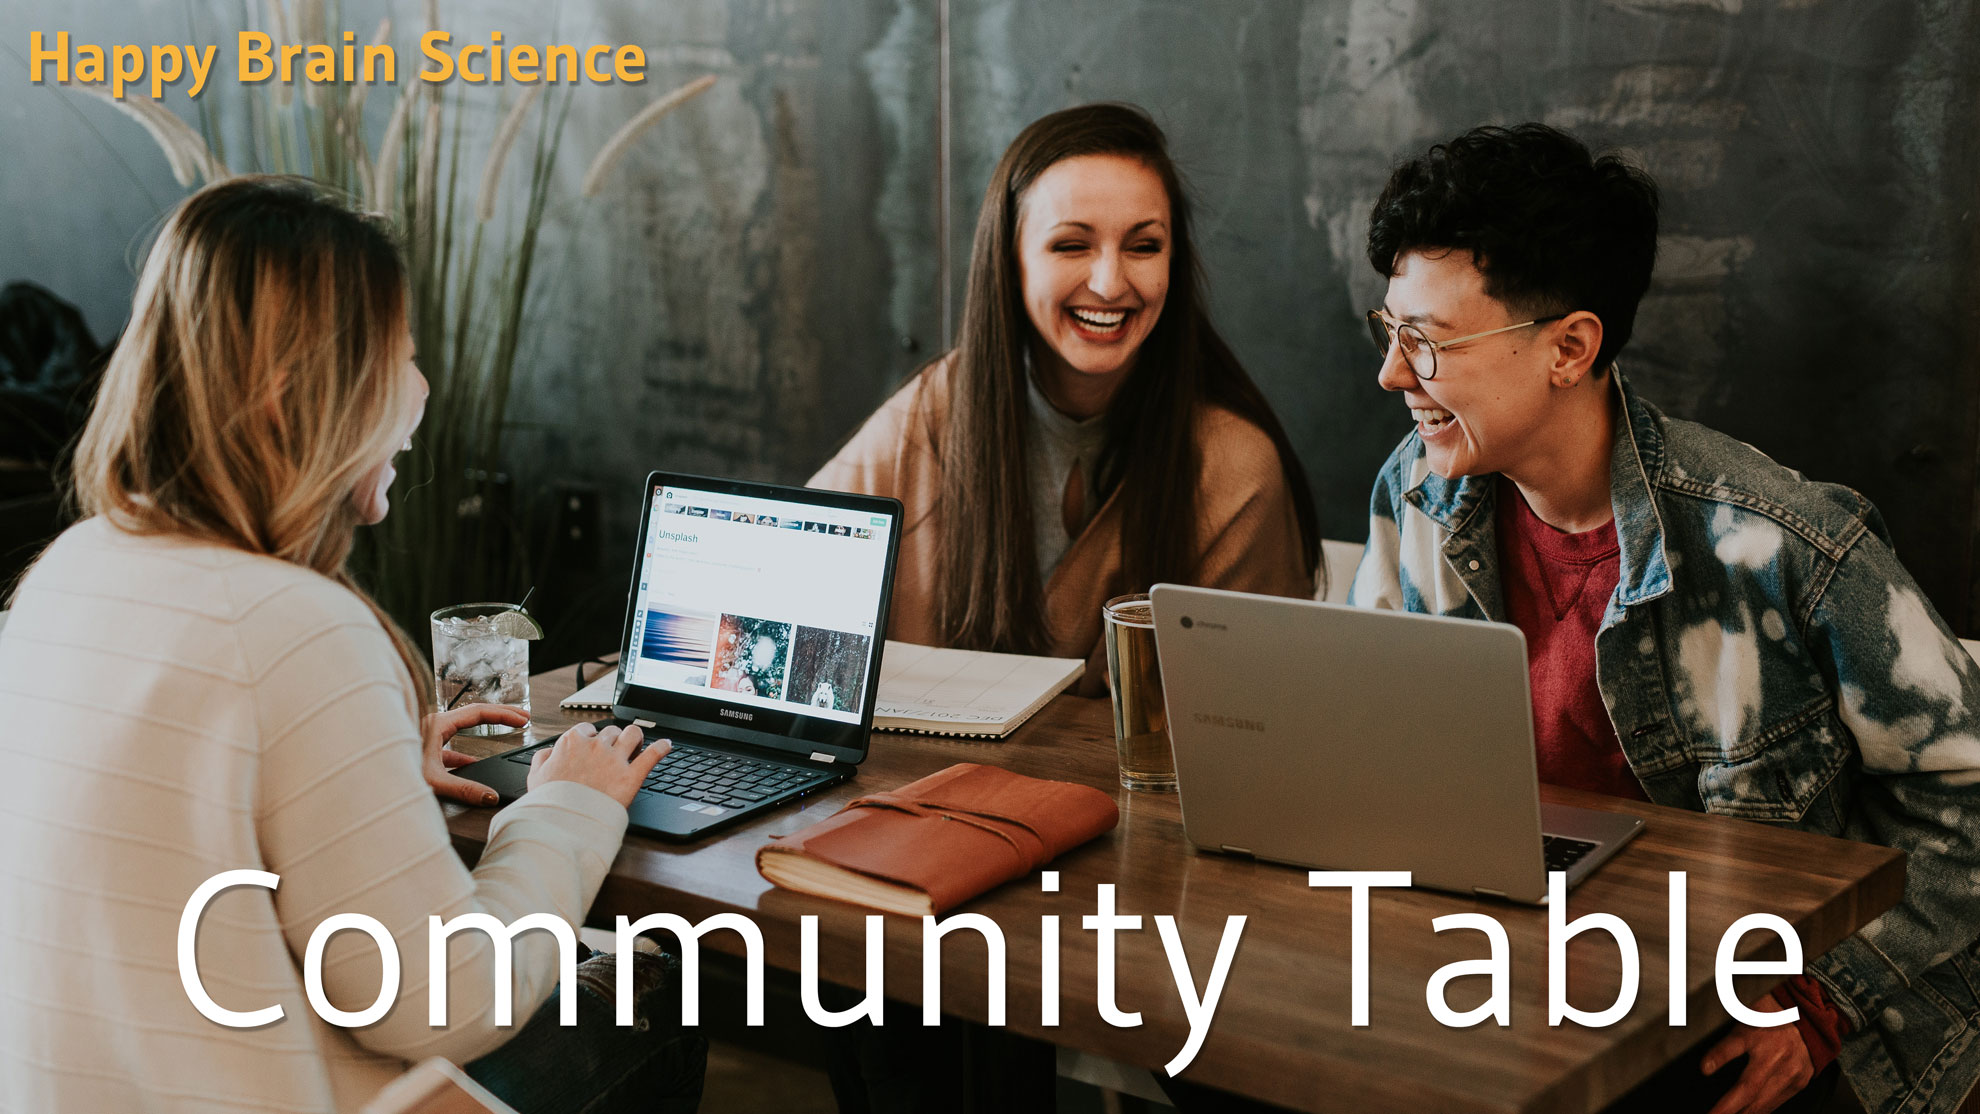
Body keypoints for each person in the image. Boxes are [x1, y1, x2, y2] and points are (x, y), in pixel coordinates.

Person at [0, 177, 704, 1113]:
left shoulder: (66, 572)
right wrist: (565, 810)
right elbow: (445, 1007)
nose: (420, 390)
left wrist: (361, 770)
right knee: (649, 994)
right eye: (400, 355)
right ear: (301, 395)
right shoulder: (294, 627)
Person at [1348, 124, 1980, 1114]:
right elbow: (1370, 750)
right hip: (1515, 973)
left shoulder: (1780, 545)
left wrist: (1826, 1001)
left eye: (1426, 341)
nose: (1393, 374)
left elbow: (1967, 803)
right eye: (1387, 330)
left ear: (1570, 347)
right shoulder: (1416, 493)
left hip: (1742, 1007)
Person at [812, 102, 1320, 694]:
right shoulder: (929, 416)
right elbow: (784, 579)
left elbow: (1256, 718)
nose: (1110, 283)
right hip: (917, 785)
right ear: (1011, 260)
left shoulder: (1234, 467)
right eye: (1071, 246)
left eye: (1144, 246)